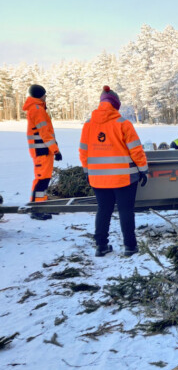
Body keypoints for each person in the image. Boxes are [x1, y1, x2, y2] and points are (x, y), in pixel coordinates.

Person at [79, 86, 148, 257]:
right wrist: (143, 170)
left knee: (104, 210)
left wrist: (87, 171)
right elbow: (136, 150)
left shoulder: (88, 125)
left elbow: (83, 151)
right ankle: (130, 246)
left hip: (97, 178)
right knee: (125, 210)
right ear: (116, 104)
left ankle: (101, 246)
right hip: (123, 178)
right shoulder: (123, 124)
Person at [24, 84, 62, 220]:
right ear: (40, 95)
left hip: (44, 149)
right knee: (41, 180)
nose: (46, 96)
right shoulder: (37, 109)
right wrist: (56, 150)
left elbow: (46, 133)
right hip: (41, 150)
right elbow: (44, 133)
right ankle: (36, 210)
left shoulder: (38, 108)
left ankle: (41, 206)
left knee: (44, 180)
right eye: (44, 94)